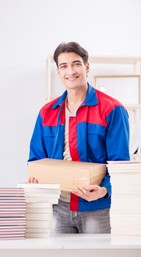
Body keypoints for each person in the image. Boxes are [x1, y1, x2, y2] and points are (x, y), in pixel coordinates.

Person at [28, 42, 130, 234]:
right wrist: (36, 179)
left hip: (96, 208)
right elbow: (36, 159)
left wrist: (105, 189)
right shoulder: (46, 112)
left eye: (76, 64)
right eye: (63, 66)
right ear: (58, 72)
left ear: (87, 67)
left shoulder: (112, 109)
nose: (70, 71)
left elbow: (120, 163)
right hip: (57, 207)